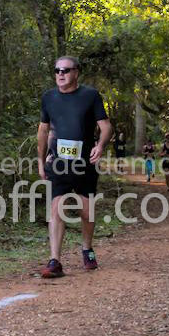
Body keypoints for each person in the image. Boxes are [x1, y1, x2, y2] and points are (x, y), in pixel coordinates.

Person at [37, 56, 112, 277]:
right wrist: (40, 161)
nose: (61, 74)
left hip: (84, 163)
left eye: (66, 70)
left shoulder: (90, 96)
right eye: (57, 70)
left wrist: (100, 145)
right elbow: (43, 131)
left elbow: (106, 127)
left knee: (86, 211)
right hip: (57, 163)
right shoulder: (48, 98)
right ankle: (55, 261)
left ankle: (87, 249)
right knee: (56, 209)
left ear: (76, 73)